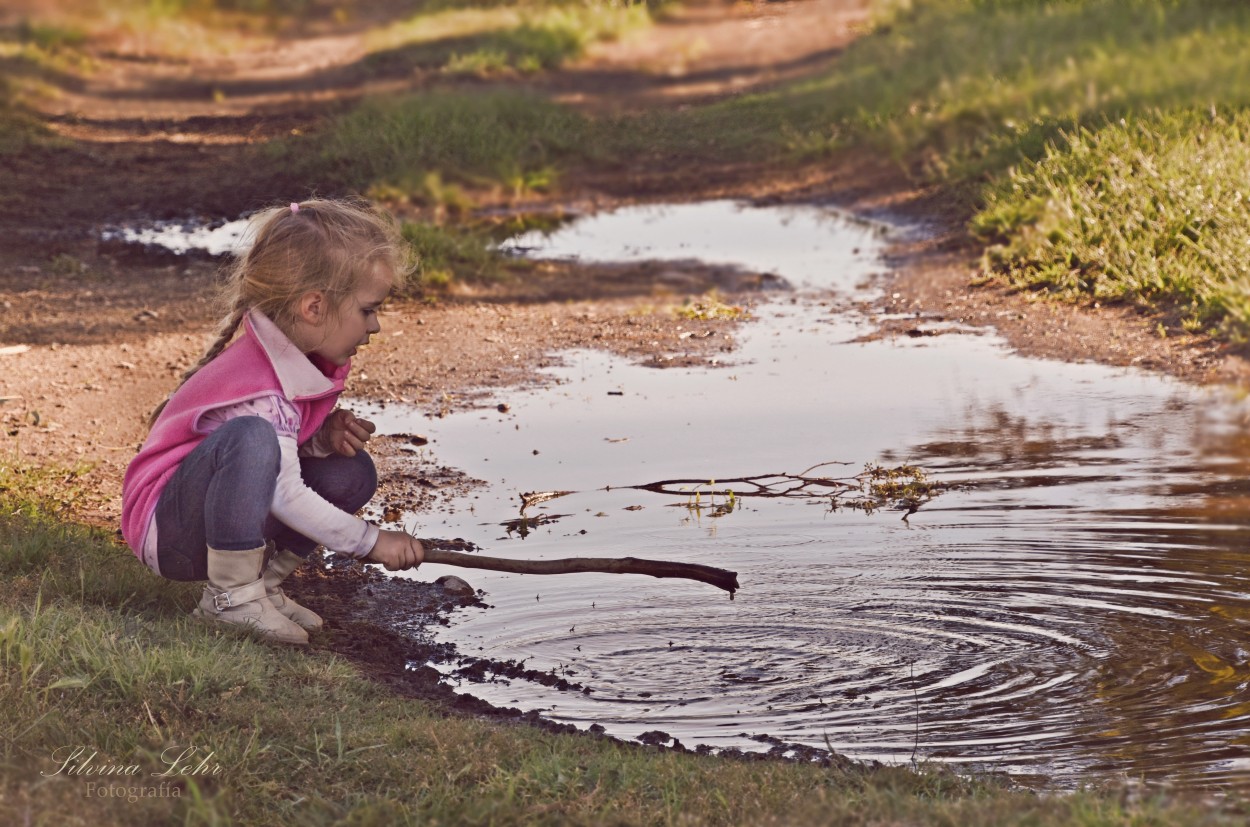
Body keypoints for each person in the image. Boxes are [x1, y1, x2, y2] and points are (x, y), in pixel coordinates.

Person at [121, 198, 424, 645]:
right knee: (252, 437)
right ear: (314, 308)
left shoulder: (292, 356)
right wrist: (369, 541)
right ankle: (230, 599)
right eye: (367, 309)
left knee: (349, 471)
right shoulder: (262, 385)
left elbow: (273, 462)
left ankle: (261, 585)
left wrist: (319, 441)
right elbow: (281, 489)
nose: (375, 325)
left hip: (208, 516)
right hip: (169, 532)